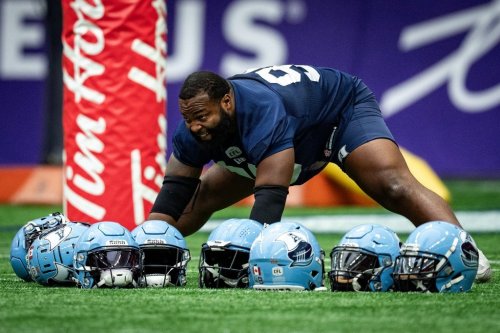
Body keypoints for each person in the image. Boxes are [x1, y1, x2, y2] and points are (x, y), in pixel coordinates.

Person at [148, 64, 491, 282]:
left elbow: (269, 198)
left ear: (226, 103)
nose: (194, 127)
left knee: (393, 184)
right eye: (188, 118)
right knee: (201, 196)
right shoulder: (195, 125)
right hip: (285, 139)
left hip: (338, 113)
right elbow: (174, 191)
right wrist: (148, 245)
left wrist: (250, 262)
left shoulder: (261, 111)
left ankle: (466, 253)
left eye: (201, 117)